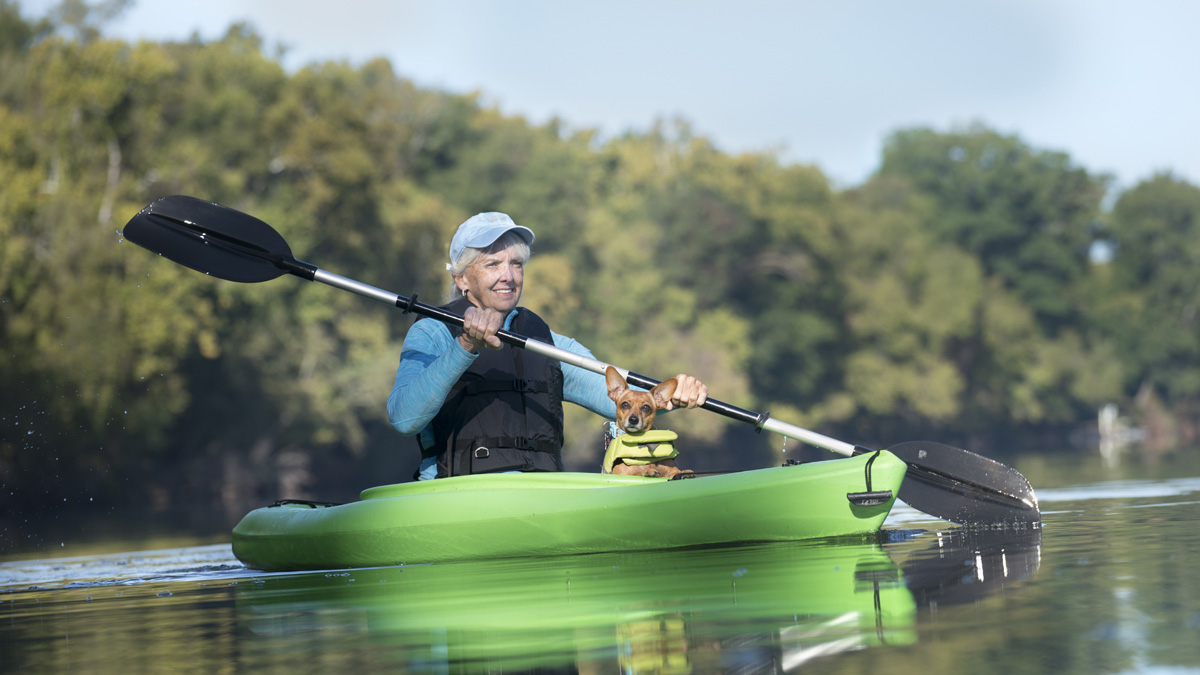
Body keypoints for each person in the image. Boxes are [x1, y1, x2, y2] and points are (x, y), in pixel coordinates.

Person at [388, 211, 709, 480]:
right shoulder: (432, 332)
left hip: (543, 493)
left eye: (516, 263)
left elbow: (620, 396)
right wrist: (465, 346)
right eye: (492, 264)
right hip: (459, 492)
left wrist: (672, 392)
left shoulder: (548, 342)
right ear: (461, 279)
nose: (508, 276)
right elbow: (404, 419)